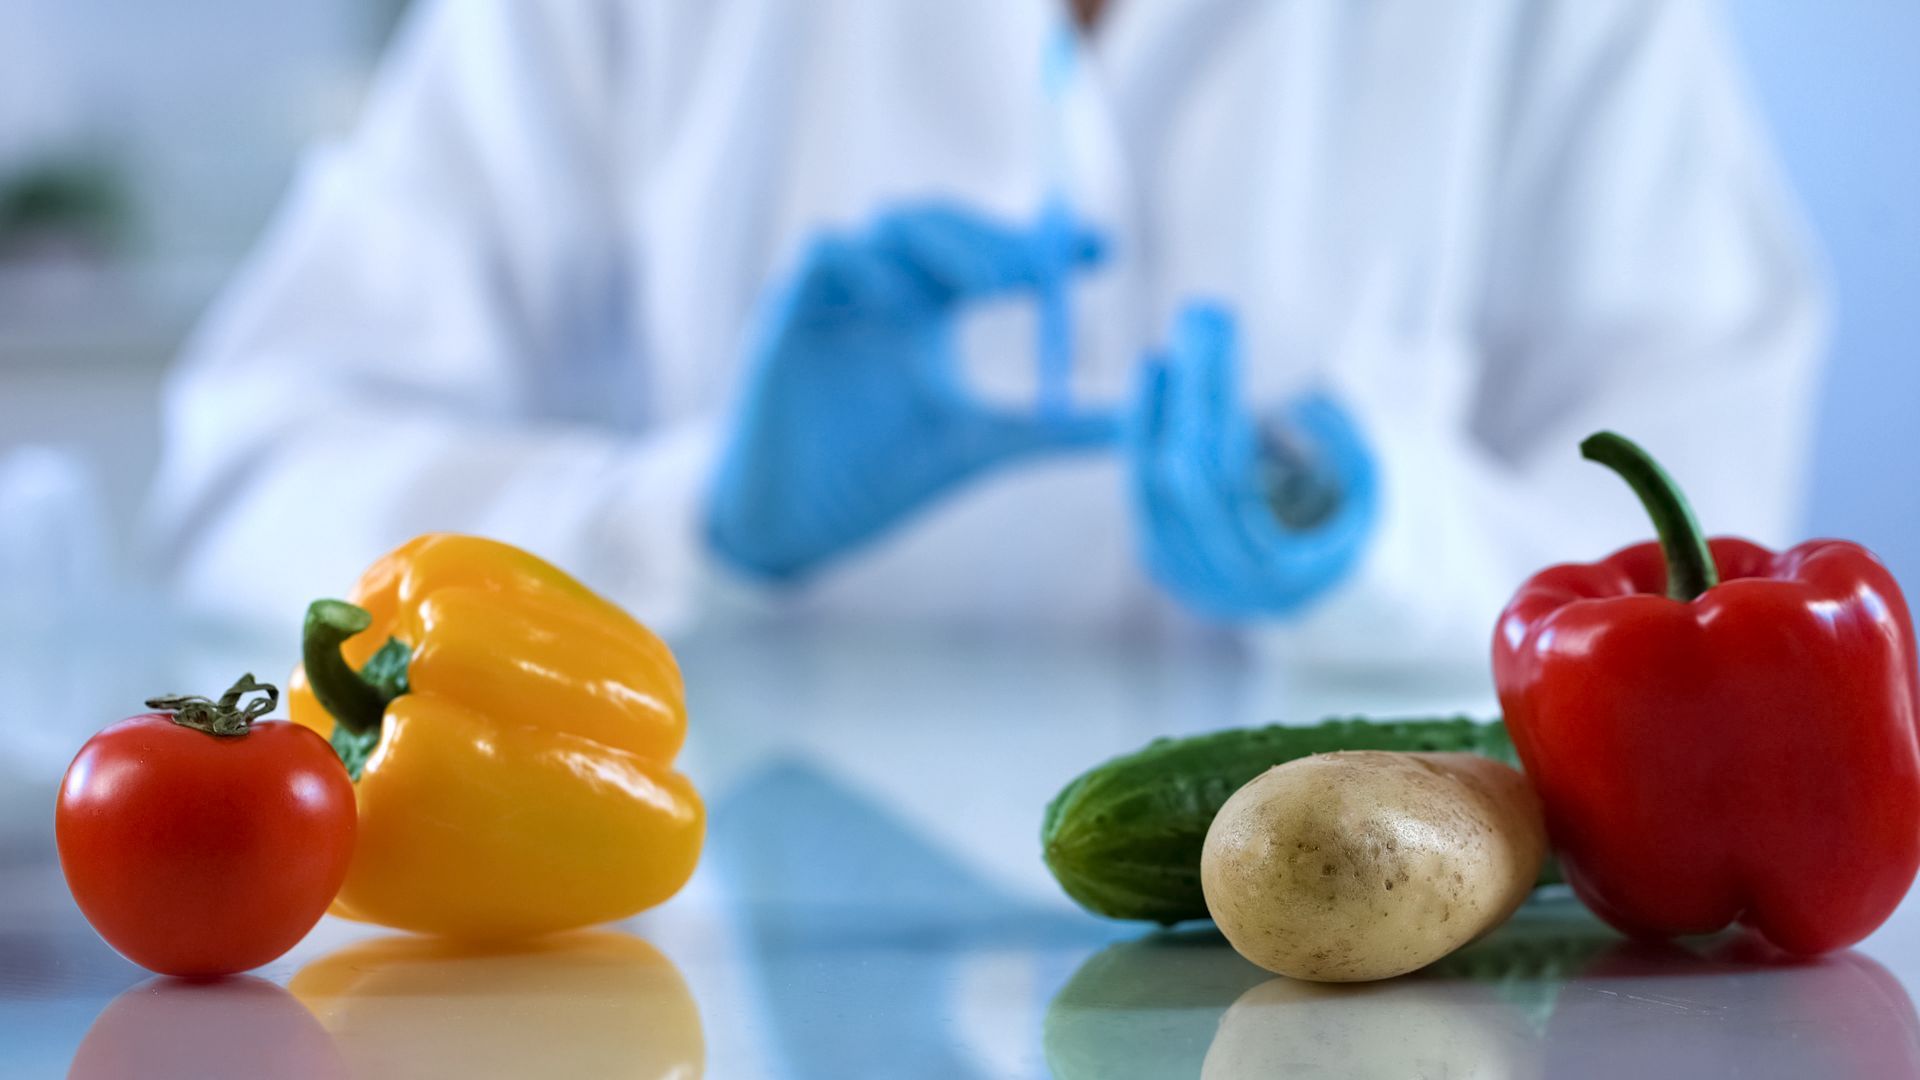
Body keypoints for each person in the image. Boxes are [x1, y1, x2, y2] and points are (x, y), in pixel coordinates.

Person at [148, 0, 1823, 675]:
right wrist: (688, 523)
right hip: (705, 980)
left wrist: (1406, 556)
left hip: (1388, 996)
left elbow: (1709, 553)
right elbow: (253, 471)